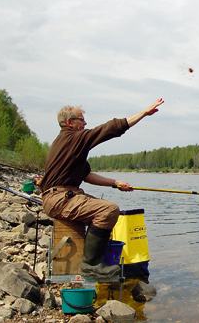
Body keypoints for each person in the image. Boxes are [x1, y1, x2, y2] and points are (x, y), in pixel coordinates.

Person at [40, 98, 164, 278]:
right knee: (108, 210)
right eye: (82, 120)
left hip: (61, 196)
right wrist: (144, 113)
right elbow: (109, 129)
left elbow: (87, 176)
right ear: (70, 122)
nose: (85, 123)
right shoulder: (72, 138)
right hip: (58, 199)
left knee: (105, 210)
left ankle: (95, 260)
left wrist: (116, 182)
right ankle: (90, 265)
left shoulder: (68, 144)